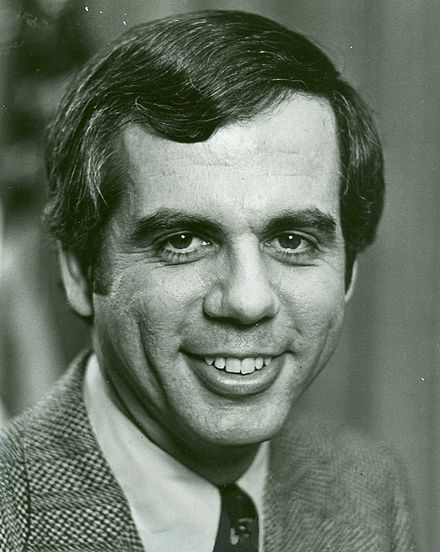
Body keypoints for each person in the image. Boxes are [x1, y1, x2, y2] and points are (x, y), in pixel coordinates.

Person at [0, 10, 415, 551]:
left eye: (292, 241)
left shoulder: (367, 488)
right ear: (79, 272)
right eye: (182, 241)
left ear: (349, 272)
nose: (247, 301)